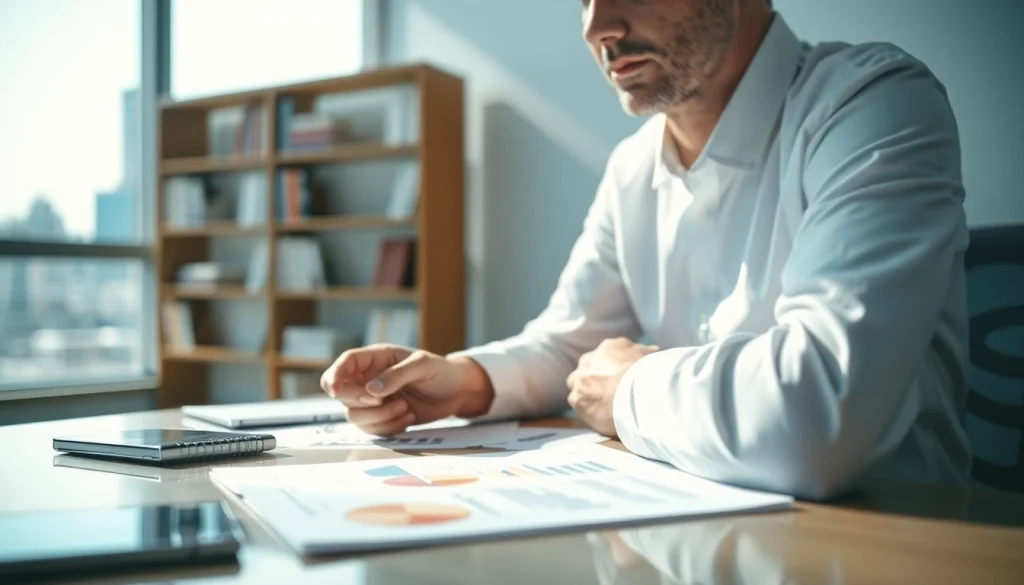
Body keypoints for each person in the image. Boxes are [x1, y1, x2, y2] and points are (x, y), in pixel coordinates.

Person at [321, 0, 972, 500]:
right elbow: (572, 346)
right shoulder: (632, 168)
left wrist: (632, 386)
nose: (595, 26)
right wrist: (462, 382)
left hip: (885, 537)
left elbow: (820, 417)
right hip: (689, 527)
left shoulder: (873, 107)